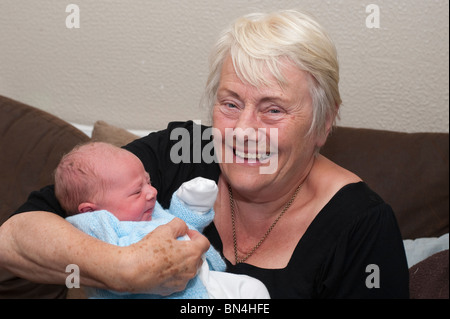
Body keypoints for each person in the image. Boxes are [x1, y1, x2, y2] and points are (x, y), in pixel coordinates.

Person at [0, 9, 409, 298]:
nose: (243, 132)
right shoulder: (177, 154)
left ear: (323, 124)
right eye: (230, 104)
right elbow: (15, 235)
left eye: (273, 110)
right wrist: (123, 270)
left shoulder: (362, 227)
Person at [54, 142, 269, 299]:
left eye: (148, 181)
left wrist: (191, 206)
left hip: (204, 282)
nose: (152, 192)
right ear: (91, 210)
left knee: (253, 288)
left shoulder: (147, 210)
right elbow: (102, 272)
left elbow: (177, 223)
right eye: (137, 191)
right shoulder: (94, 227)